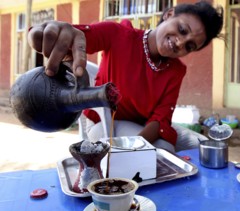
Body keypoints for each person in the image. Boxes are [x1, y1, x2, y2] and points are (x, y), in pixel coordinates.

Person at [28, 1, 224, 153]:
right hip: (104, 122)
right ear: (169, 14)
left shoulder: (175, 70)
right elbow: (71, 36)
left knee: (202, 146)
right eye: (182, 30)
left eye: (189, 46)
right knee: (162, 152)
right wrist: (42, 34)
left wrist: (136, 148)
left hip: (143, 127)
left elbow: (161, 118)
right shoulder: (118, 35)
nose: (181, 42)